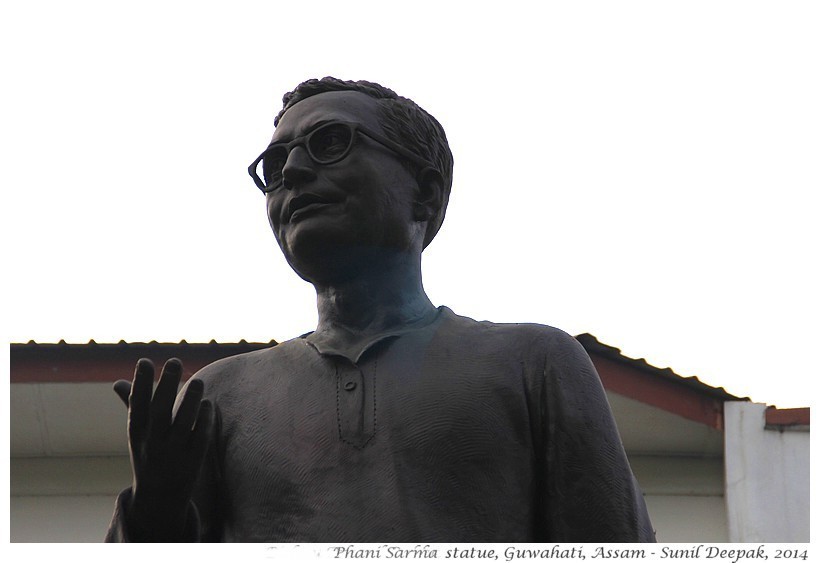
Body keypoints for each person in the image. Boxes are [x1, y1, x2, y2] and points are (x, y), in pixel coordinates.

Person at [106, 77, 655, 542]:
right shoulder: (221, 395)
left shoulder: (534, 361)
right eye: (274, 165)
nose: (293, 171)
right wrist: (153, 515)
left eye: (330, 142)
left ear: (426, 194)